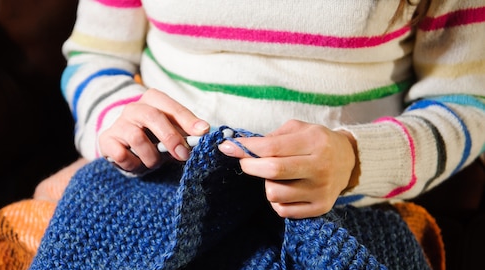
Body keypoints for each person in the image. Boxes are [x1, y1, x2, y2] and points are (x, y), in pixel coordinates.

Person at [42, 0, 485, 220]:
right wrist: (118, 120)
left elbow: (465, 103)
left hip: (345, 212)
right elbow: (96, 57)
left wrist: (355, 160)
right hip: (154, 184)